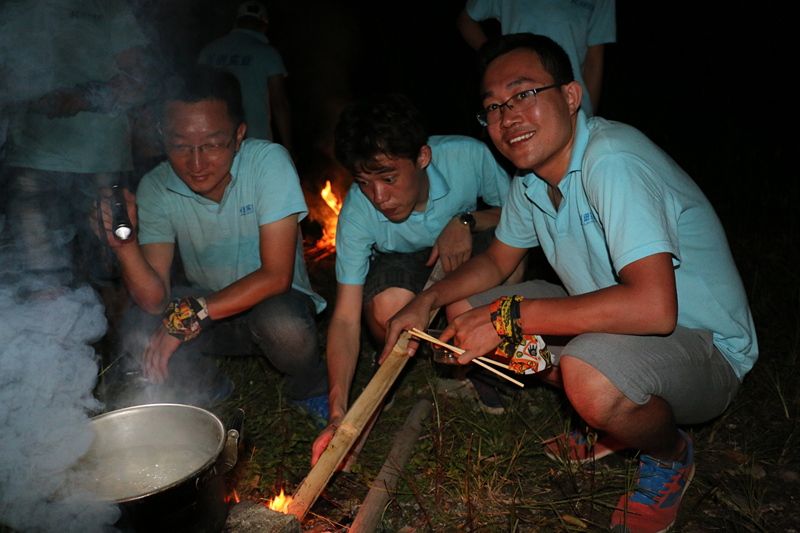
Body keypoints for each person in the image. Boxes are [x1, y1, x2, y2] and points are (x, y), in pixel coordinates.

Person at [382, 34, 757, 533]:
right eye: (492, 107)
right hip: (619, 326)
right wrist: (425, 300)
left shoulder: (612, 161)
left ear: (571, 96)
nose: (507, 116)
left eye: (524, 94)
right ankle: (610, 421)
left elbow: (654, 308)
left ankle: (669, 454)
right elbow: (495, 263)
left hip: (703, 347)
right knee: (467, 306)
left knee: (582, 372)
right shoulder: (531, 180)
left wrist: (510, 317)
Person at [95, 68, 329, 425]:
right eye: (180, 145)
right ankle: (206, 385)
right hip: (209, 312)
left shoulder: (267, 163)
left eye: (213, 144)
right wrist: (123, 247)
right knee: (137, 327)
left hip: (273, 303)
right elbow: (155, 299)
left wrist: (187, 317)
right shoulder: (156, 187)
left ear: (238, 136)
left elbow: (276, 276)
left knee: (285, 327)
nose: (197, 162)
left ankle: (310, 387)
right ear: (162, 138)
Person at [311, 93, 514, 464]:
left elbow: (521, 211)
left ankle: (487, 362)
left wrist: (467, 221)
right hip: (402, 257)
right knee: (389, 309)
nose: (379, 197)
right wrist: (338, 410)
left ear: (422, 157)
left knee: (501, 259)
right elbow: (343, 317)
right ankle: (388, 359)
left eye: (389, 178)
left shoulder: (467, 156)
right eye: (364, 182)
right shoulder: (358, 213)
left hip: (466, 241)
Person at [1, 0, 149, 289]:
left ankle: (128, 335)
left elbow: (140, 76)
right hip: (31, 162)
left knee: (113, 271)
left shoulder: (109, 7)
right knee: (40, 277)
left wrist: (87, 96)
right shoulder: (14, 6)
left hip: (102, 163)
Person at [456, 0, 615, 117]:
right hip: (517, 97)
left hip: (570, 102)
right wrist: (497, 58)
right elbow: (466, 19)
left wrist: (589, 115)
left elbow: (594, 60)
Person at [199, 0, 294, 158]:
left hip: (211, 141)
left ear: (236, 23)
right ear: (264, 26)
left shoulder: (208, 52)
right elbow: (279, 102)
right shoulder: (268, 54)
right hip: (255, 145)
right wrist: (289, 147)